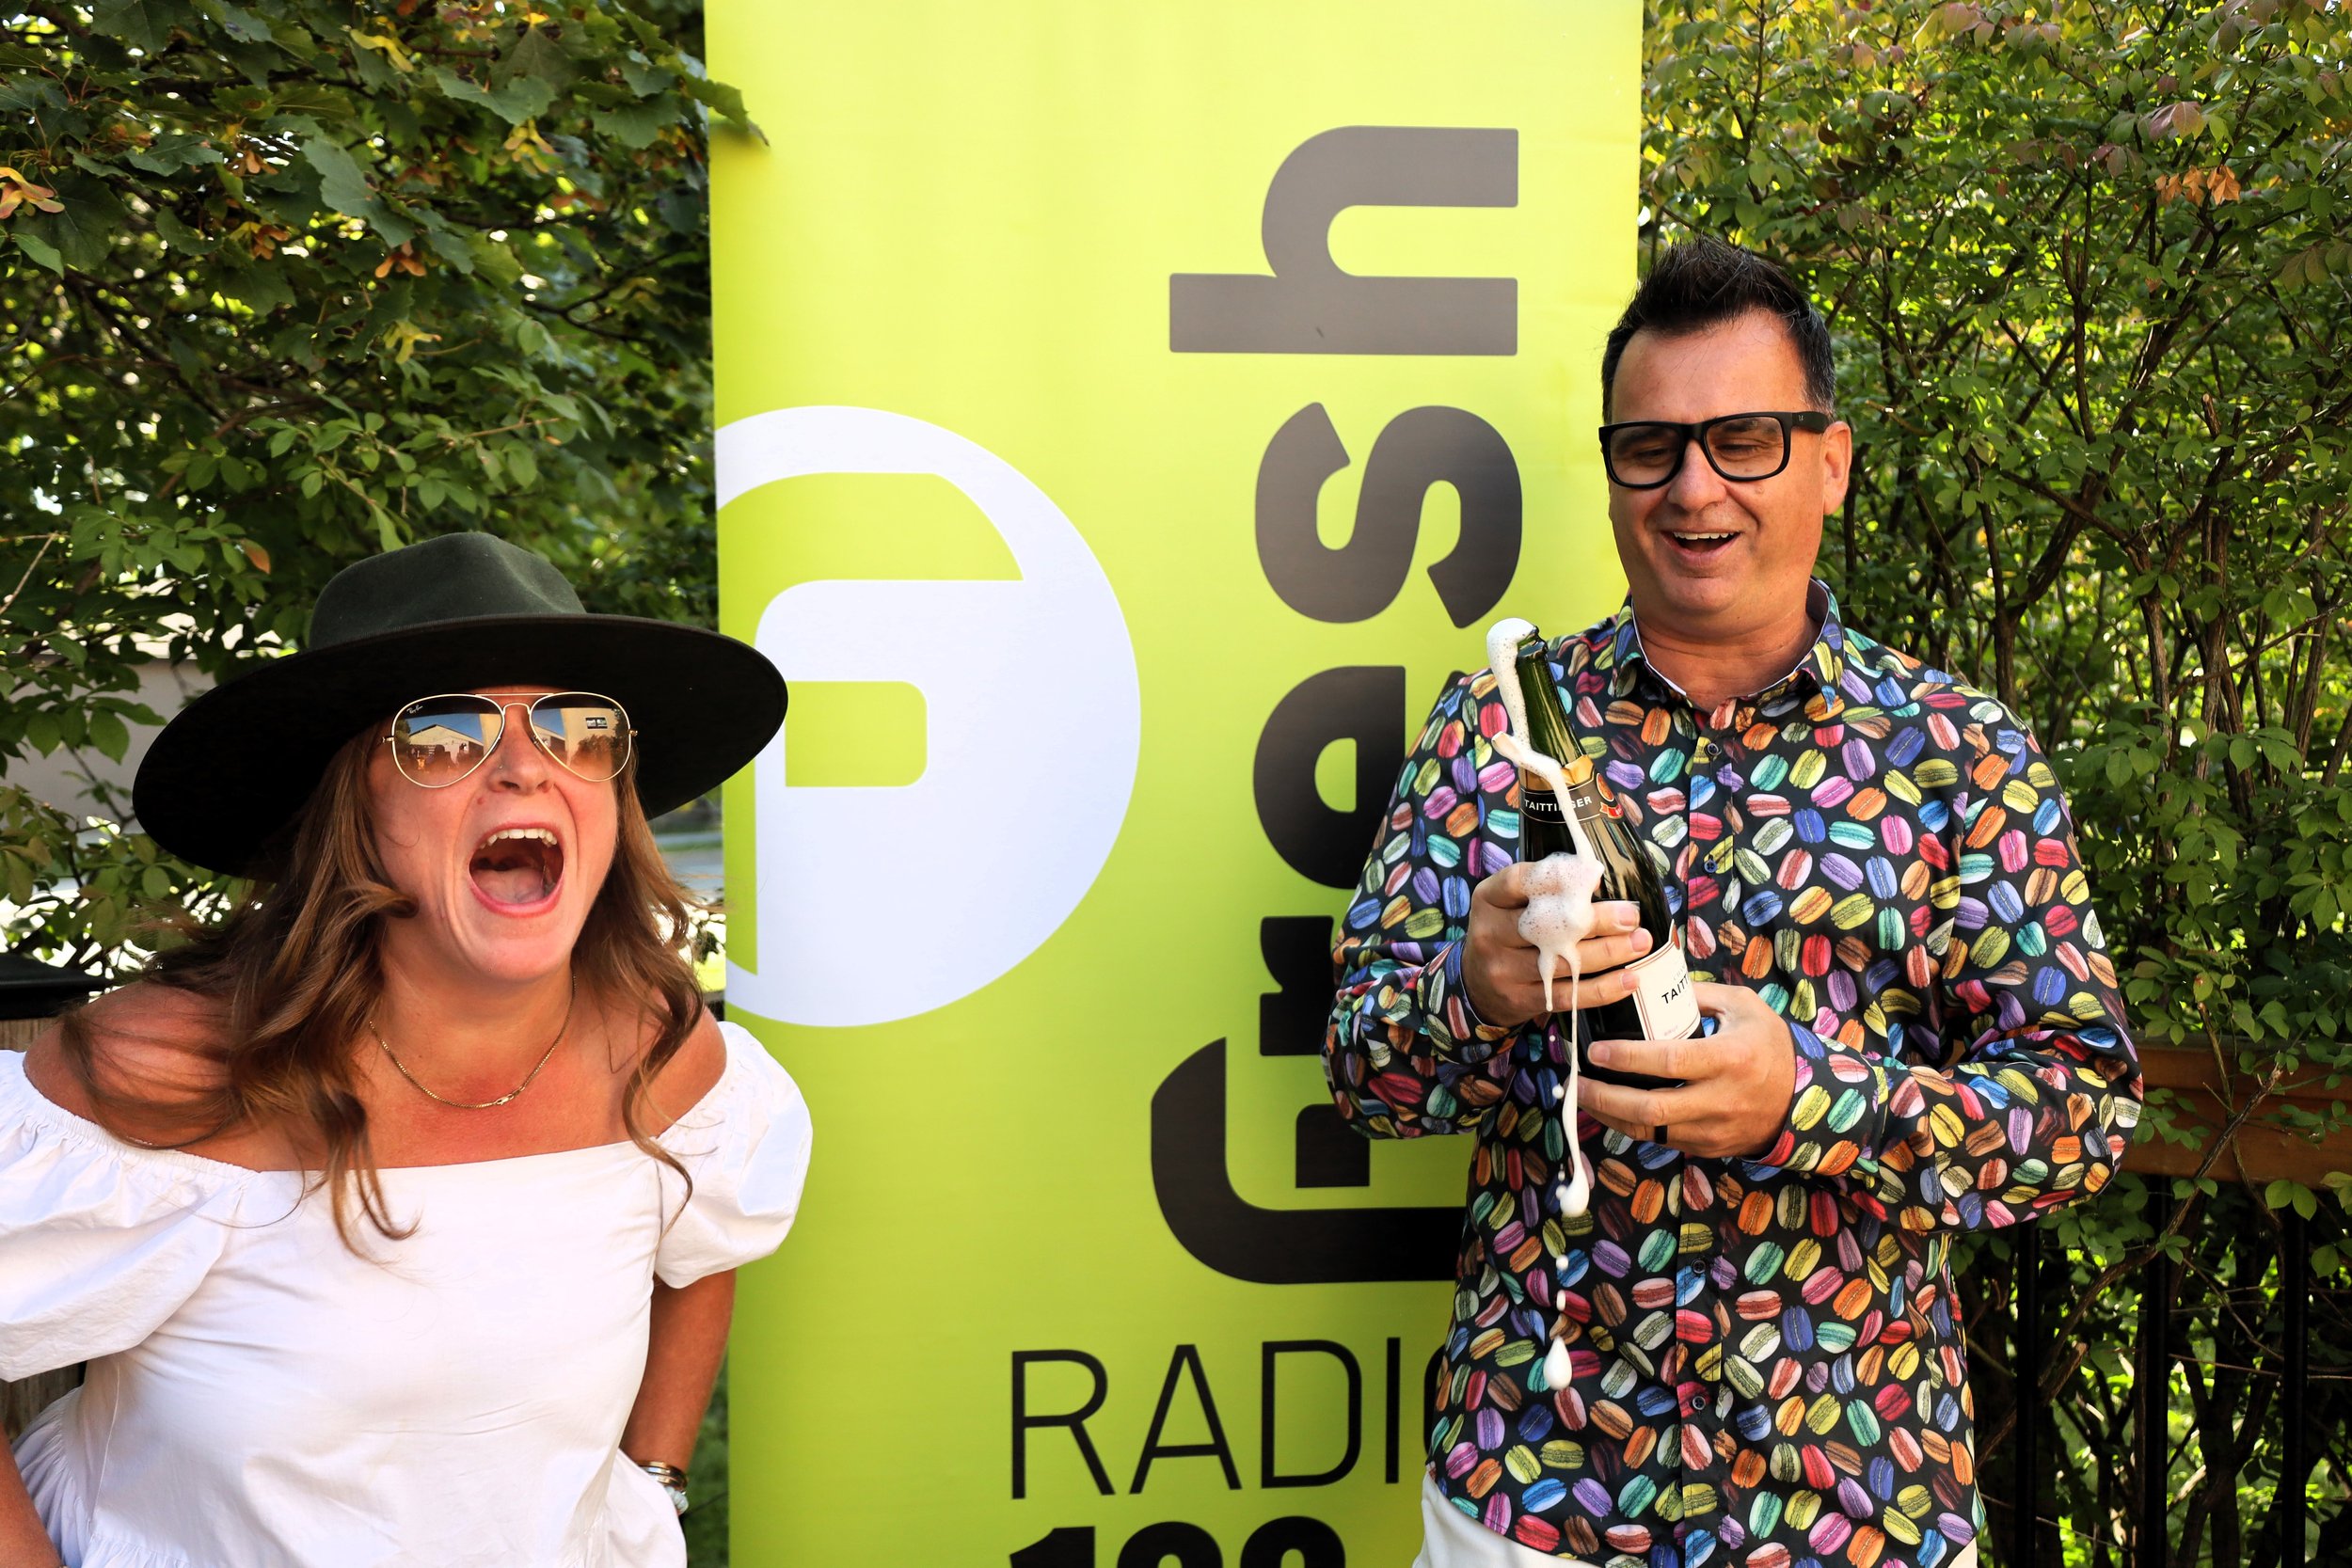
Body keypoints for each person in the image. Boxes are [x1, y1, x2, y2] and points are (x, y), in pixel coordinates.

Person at [1324, 240, 2140, 1568]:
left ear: (1831, 459)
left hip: (1851, 1505)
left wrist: (1809, 1098)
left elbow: (2084, 1112)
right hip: (1537, 1497)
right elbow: (1363, 1075)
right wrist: (1470, 994)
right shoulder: (1499, 726)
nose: (1694, 484)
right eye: (1651, 445)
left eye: (1744, 437)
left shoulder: (1957, 750)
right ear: (1614, 473)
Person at [0, 531, 809, 1568]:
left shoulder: (661, 1053)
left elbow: (703, 1252)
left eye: (577, 729)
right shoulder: (169, 1074)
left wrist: (648, 1488)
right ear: (353, 806)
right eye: (442, 735)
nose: (525, 764)